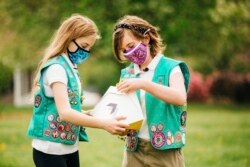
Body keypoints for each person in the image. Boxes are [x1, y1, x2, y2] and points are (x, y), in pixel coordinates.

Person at [27, 14, 128, 167]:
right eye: (84, 45)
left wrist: (88, 113)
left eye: (89, 47)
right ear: (68, 38)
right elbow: (65, 113)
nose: (86, 51)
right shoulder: (56, 68)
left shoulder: (70, 68)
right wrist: (104, 124)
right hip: (50, 151)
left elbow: (67, 108)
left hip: (69, 147)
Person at [113, 15, 190, 167]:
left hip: (165, 150)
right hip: (133, 150)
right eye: (124, 50)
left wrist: (143, 84)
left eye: (131, 45)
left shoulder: (171, 68)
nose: (129, 52)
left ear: (146, 38)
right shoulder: (127, 73)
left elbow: (180, 97)